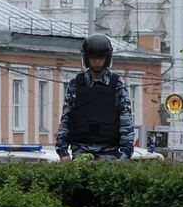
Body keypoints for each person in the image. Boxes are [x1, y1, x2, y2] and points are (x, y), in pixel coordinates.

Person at [57, 34, 133, 162]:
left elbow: (126, 120)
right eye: (93, 57)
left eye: (100, 57)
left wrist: (124, 155)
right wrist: (62, 151)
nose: (97, 61)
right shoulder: (76, 84)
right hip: (80, 152)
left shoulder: (117, 85)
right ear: (86, 58)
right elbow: (66, 118)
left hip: (110, 153)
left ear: (107, 58)